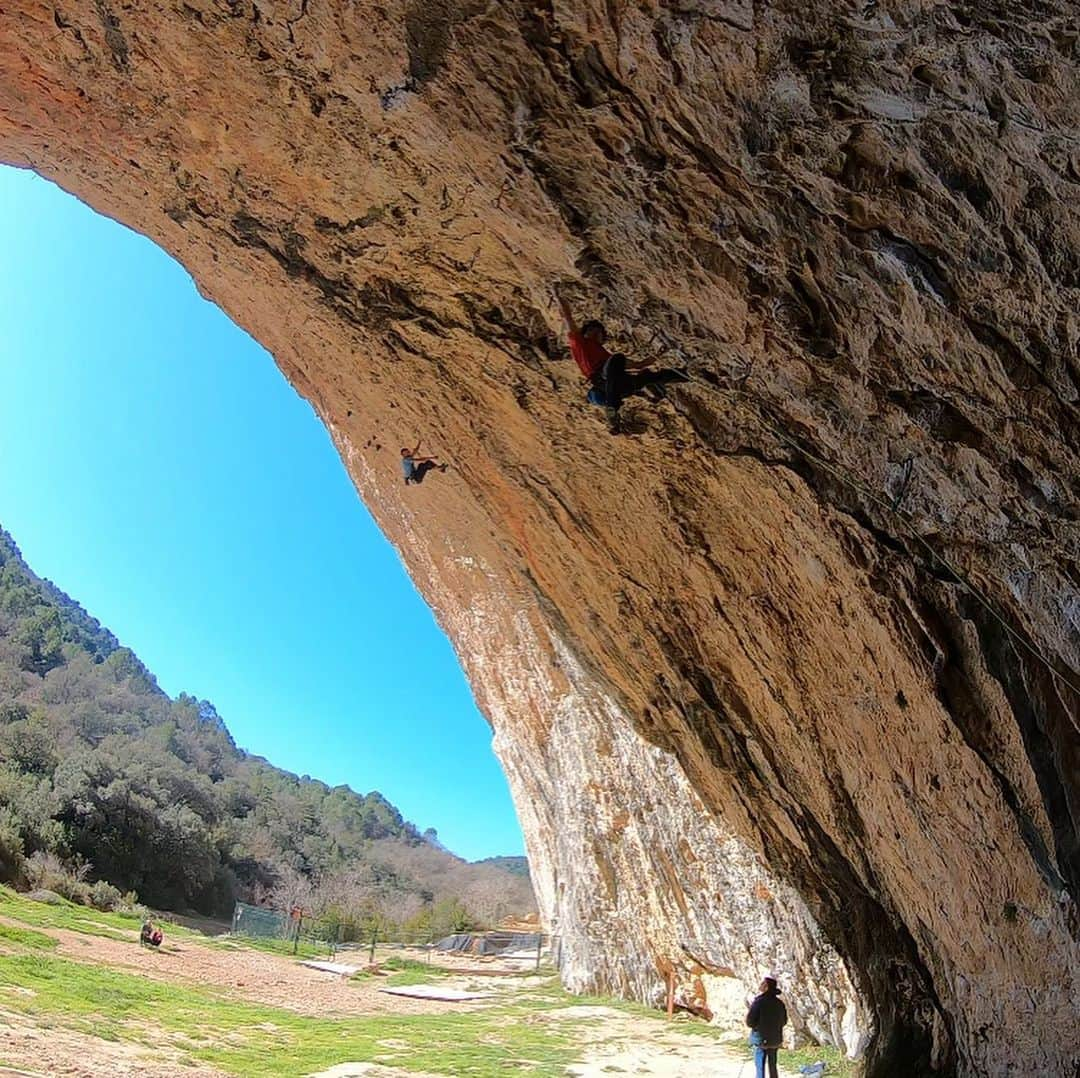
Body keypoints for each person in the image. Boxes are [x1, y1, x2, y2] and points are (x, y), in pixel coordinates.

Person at [553, 286, 688, 432]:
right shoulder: (579, 343)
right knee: (617, 360)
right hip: (605, 380)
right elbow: (567, 317)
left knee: (649, 377)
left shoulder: (605, 355)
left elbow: (639, 365)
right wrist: (557, 295)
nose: (599, 335)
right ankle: (612, 409)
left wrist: (662, 353)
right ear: (591, 331)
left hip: (619, 387)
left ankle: (686, 375)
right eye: (597, 331)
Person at [746, 974, 787, 1078]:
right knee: (773, 1065)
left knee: (760, 1066)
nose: (760, 984)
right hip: (775, 1039)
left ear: (766, 987)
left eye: (763, 983)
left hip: (760, 1039)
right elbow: (784, 1021)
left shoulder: (758, 1002)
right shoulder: (779, 1003)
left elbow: (750, 1022)